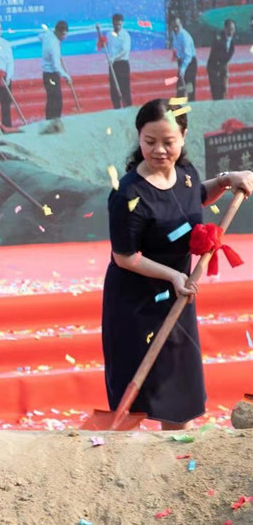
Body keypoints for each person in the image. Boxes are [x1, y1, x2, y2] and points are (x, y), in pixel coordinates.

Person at [102, 98, 253, 429]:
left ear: (183, 137)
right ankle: (125, 448)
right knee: (138, 389)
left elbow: (197, 195)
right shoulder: (128, 195)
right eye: (150, 141)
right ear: (139, 138)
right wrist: (173, 275)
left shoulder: (185, 174)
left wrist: (227, 180)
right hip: (137, 302)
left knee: (178, 391)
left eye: (168, 142)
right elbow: (124, 257)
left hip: (177, 294)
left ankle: (177, 446)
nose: (159, 150)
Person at [41, 20, 72, 128]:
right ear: (58, 32)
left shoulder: (49, 34)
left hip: (49, 74)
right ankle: (52, 122)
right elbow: (56, 67)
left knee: (54, 98)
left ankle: (53, 122)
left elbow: (40, 36)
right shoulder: (53, 45)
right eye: (62, 34)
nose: (64, 37)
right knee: (55, 100)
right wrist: (66, 76)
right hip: (51, 75)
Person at [104, 13, 132, 109]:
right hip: (112, 65)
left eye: (119, 24)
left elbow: (125, 51)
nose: (117, 26)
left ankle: (127, 108)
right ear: (112, 23)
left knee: (124, 88)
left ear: (122, 23)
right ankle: (116, 108)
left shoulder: (125, 35)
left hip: (122, 64)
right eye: (115, 24)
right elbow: (106, 47)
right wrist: (101, 43)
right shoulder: (109, 34)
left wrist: (114, 58)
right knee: (114, 89)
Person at [206, 19, 237, 101]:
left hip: (222, 66)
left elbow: (227, 58)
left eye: (233, 29)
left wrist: (225, 72)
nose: (231, 31)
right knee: (216, 90)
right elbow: (217, 55)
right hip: (213, 67)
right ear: (225, 28)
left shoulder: (233, 41)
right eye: (229, 29)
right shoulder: (218, 38)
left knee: (223, 89)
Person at [169, 16, 197, 99]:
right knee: (180, 87)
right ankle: (178, 105)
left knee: (189, 87)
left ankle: (192, 103)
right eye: (173, 27)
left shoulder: (184, 36)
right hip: (181, 61)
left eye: (177, 26)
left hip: (189, 62)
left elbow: (188, 55)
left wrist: (183, 69)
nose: (175, 29)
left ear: (180, 24)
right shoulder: (173, 33)